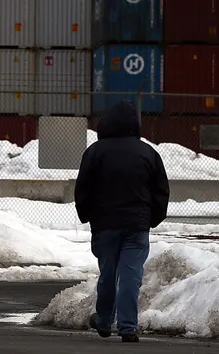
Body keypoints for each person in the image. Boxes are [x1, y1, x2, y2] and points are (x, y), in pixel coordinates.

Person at [74, 101, 170, 344]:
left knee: (108, 272)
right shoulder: (148, 153)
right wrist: (152, 218)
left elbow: (83, 188)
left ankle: (105, 320)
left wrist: (86, 214)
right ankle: (128, 327)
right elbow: (161, 191)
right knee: (131, 275)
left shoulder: (95, 152)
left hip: (105, 224)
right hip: (137, 225)